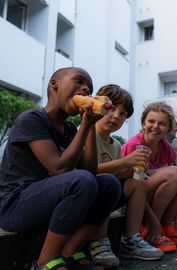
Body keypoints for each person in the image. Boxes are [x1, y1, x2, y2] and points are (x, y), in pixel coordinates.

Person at [0, 67, 122, 270]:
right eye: (79, 81)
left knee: (109, 183)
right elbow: (59, 168)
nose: (85, 90)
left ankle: (70, 250)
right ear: (54, 84)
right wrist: (84, 127)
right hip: (14, 206)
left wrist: (90, 125)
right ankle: (45, 260)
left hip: (46, 203)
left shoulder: (69, 130)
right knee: (80, 180)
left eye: (89, 88)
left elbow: (90, 171)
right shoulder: (32, 119)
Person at [89, 85, 163, 268]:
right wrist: (124, 163)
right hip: (86, 196)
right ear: (98, 106)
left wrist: (130, 170)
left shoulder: (114, 145)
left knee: (138, 183)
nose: (116, 116)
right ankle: (99, 242)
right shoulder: (86, 133)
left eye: (123, 113)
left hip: (105, 194)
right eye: (111, 108)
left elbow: (114, 174)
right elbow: (84, 171)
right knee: (107, 183)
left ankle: (130, 240)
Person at [122, 101, 177, 252]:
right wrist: (153, 222)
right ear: (143, 123)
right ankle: (150, 229)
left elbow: (174, 184)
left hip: (155, 197)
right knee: (175, 172)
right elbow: (136, 186)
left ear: (168, 128)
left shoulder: (166, 148)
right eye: (151, 121)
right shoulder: (134, 145)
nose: (155, 126)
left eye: (162, 124)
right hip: (135, 200)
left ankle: (168, 227)